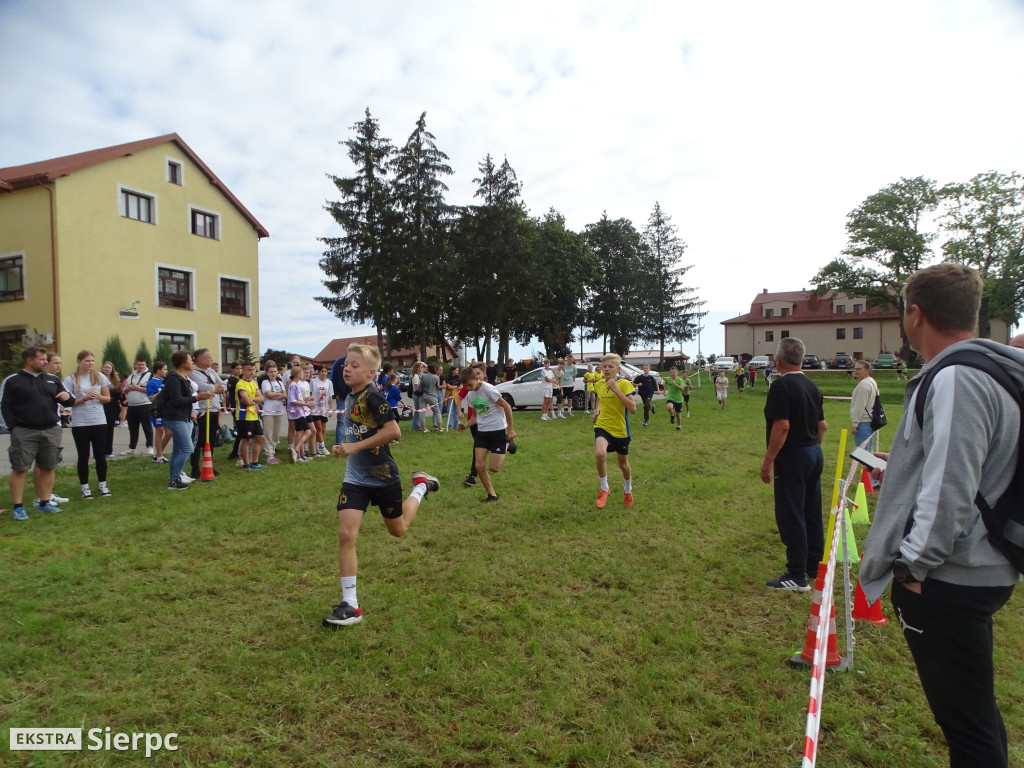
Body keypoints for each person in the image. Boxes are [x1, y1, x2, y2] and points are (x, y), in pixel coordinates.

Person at [860, 264, 1022, 767]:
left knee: (967, 730)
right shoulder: (993, 370)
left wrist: (911, 567)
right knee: (974, 714)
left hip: (948, 576)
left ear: (915, 314)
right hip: (982, 565)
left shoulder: (956, 376)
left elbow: (952, 486)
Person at [322, 344, 439, 628]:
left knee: (397, 530)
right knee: (346, 534)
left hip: (383, 475)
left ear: (371, 372)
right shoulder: (351, 395)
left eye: (354, 365)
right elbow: (358, 431)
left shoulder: (373, 395)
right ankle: (351, 605)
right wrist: (346, 448)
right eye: (346, 364)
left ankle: (421, 486)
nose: (346, 369)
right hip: (355, 479)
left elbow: (393, 431)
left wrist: (353, 447)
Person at [759, 337, 827, 592]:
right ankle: (813, 565)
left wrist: (769, 459)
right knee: (811, 510)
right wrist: (812, 449)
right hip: (813, 452)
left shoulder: (781, 387)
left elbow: (783, 425)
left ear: (778, 360)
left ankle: (797, 575)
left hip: (794, 456)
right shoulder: (813, 386)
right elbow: (822, 426)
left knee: (791, 512)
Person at [2, 347, 72, 519]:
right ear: (29, 360)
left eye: (46, 360)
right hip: (24, 431)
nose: (46, 362)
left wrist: (67, 397)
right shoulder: (14, 381)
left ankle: (44, 503)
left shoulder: (52, 380)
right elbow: (5, 405)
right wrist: (13, 428)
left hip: (51, 429)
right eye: (42, 359)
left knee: (48, 467)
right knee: (20, 468)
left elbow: (69, 400)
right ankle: (18, 507)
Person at [460, 365, 517, 503]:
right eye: (465, 386)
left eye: (469, 384)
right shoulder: (471, 394)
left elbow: (507, 406)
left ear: (477, 378)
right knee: (479, 466)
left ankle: (507, 443)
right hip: (482, 433)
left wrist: (510, 429)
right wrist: (465, 425)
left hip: (497, 430)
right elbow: (475, 417)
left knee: (494, 468)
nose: (468, 388)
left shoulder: (489, 389)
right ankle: (492, 495)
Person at [63, 350, 113, 499]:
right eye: (87, 361)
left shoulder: (99, 377)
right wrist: (84, 398)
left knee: (100, 455)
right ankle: (85, 488)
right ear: (79, 361)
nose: (90, 363)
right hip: (80, 422)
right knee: (83, 455)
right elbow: (69, 402)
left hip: (98, 420)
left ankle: (102, 485)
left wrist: (99, 396)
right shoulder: (70, 379)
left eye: (92, 361)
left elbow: (108, 398)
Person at [592, 353, 637, 509]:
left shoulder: (625, 384)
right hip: (603, 426)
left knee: (623, 465)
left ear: (618, 369)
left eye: (610, 366)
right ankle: (604, 489)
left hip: (621, 430)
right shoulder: (598, 385)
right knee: (600, 453)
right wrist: (596, 412)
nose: (606, 369)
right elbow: (599, 397)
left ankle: (628, 490)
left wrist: (616, 389)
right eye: (604, 366)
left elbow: (632, 409)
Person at [163, 351, 213, 490]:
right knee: (187, 448)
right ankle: (174, 479)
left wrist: (198, 397)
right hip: (175, 417)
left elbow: (186, 397)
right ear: (183, 362)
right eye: (190, 359)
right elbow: (177, 400)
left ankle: (175, 478)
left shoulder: (183, 377)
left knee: (178, 449)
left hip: (184, 416)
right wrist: (197, 398)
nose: (192, 362)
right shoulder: (173, 378)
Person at [188, 348, 225, 479]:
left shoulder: (211, 371)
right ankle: (195, 468)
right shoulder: (193, 373)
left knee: (211, 440)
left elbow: (223, 386)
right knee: (199, 440)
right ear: (201, 360)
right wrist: (214, 387)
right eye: (209, 358)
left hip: (214, 409)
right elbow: (205, 388)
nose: (212, 359)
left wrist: (214, 387)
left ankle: (208, 464)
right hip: (202, 411)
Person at [120, 356, 154, 456]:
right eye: (139, 364)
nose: (141, 366)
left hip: (144, 404)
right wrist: (128, 389)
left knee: (147, 426)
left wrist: (138, 388)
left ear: (146, 365)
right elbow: (124, 390)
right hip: (132, 405)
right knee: (132, 428)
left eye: (143, 364)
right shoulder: (131, 376)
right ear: (135, 365)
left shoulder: (149, 375)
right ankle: (132, 447)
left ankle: (150, 447)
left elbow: (151, 390)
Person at [235, 361, 265, 470]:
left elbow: (261, 398)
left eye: (253, 370)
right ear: (242, 370)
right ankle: (246, 464)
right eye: (249, 370)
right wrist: (252, 400)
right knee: (246, 440)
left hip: (253, 415)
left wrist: (251, 399)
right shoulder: (240, 384)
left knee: (261, 438)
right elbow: (246, 401)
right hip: (244, 416)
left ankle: (255, 461)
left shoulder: (253, 383)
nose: (252, 372)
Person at [260, 361, 288, 464]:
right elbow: (268, 395)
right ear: (267, 372)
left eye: (275, 371)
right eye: (271, 372)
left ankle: (273, 451)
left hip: (279, 411)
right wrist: (279, 395)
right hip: (268, 411)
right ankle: (269, 455)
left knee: (276, 435)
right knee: (268, 433)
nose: (273, 373)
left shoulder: (280, 383)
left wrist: (275, 394)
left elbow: (285, 395)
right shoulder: (265, 383)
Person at [849, 360, 879, 449]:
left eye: (859, 369)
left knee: (862, 455)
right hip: (870, 421)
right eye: (855, 369)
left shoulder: (863, 385)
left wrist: (855, 424)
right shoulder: (872, 382)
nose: (855, 371)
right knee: (867, 453)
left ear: (867, 370)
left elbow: (859, 406)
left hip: (863, 423)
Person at [287, 364, 313, 462]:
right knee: (308, 432)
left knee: (300, 433)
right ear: (298, 374)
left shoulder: (295, 385)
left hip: (299, 412)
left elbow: (298, 399)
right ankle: (296, 450)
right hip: (298, 413)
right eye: (302, 373)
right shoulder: (293, 385)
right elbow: (293, 401)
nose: (303, 374)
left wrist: (306, 401)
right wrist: (306, 404)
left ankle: (298, 455)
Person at [309, 364, 335, 455]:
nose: (324, 373)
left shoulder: (329, 382)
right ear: (318, 372)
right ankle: (323, 447)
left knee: (323, 429)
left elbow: (330, 396)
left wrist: (331, 409)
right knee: (318, 428)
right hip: (315, 408)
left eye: (325, 371)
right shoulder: (313, 381)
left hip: (324, 408)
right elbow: (310, 393)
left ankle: (318, 446)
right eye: (322, 371)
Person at [147, 362, 169, 463]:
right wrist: (161, 393)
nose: (166, 371)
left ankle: (158, 453)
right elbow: (151, 398)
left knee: (170, 432)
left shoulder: (165, 380)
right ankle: (159, 456)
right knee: (160, 431)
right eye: (164, 369)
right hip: (158, 410)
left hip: (167, 409)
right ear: (158, 370)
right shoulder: (152, 382)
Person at [100, 360, 121, 457]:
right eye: (105, 367)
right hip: (102, 405)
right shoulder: (98, 378)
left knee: (110, 428)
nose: (107, 369)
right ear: (102, 368)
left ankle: (109, 450)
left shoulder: (115, 380)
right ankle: (100, 450)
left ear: (112, 369)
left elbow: (119, 393)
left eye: (109, 367)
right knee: (101, 429)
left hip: (112, 407)